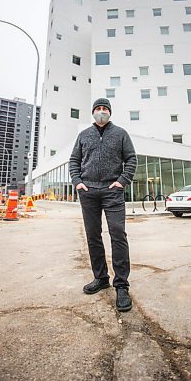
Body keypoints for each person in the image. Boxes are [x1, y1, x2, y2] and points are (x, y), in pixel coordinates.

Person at [69, 98, 137, 312]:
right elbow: (73, 161)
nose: (101, 112)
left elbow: (131, 159)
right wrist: (78, 182)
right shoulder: (83, 135)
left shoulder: (121, 134)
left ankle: (121, 285)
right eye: (98, 109)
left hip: (112, 191)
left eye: (105, 109)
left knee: (118, 233)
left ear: (110, 112)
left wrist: (122, 182)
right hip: (88, 192)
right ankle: (101, 278)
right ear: (93, 112)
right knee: (93, 235)